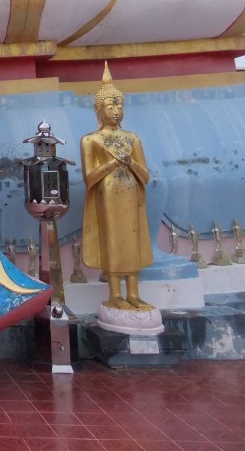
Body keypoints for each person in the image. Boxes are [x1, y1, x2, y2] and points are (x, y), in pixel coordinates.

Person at [80, 64, 153, 311]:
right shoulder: (91, 140)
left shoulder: (132, 139)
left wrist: (130, 161)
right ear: (98, 110)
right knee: (112, 239)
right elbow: (89, 177)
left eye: (119, 105)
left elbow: (145, 175)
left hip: (131, 193)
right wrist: (113, 161)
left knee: (132, 238)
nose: (116, 111)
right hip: (107, 196)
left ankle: (133, 292)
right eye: (110, 106)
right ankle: (115, 294)